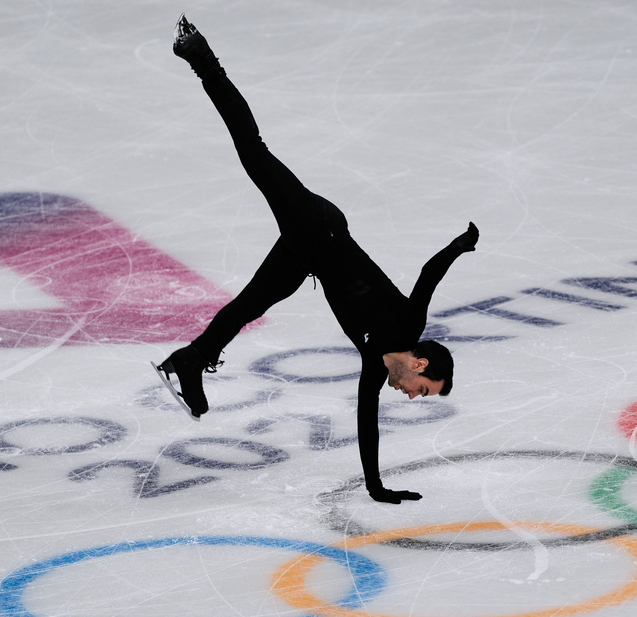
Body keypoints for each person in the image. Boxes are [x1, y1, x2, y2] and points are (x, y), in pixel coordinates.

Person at [157, 15, 478, 504]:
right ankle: (202, 57)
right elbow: (429, 274)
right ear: (420, 362)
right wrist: (461, 244)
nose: (413, 396)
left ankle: (192, 360)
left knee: (250, 305)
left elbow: (365, 425)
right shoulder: (408, 323)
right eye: (423, 389)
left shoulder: (377, 365)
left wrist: (376, 488)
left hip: (309, 256)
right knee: (254, 153)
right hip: (320, 228)